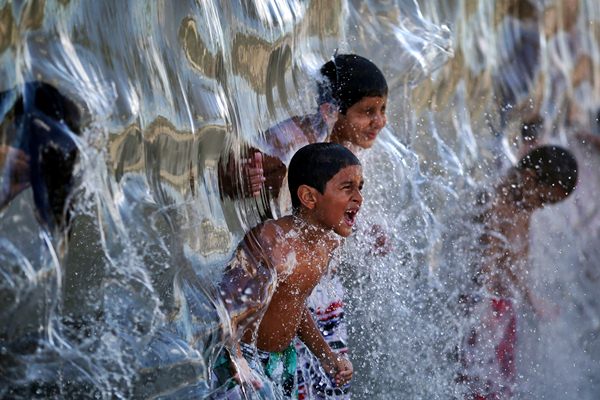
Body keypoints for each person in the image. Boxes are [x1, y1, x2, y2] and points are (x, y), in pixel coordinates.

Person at [218, 53, 387, 399]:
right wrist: (242, 178)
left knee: (327, 388)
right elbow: (238, 168)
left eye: (382, 110)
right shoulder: (300, 137)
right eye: (368, 112)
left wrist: (367, 229)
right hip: (281, 284)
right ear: (331, 111)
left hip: (315, 289)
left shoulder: (351, 151)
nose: (379, 122)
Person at [214, 143, 362, 398]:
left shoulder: (326, 245)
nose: (359, 198)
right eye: (347, 188)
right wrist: (238, 362)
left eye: (360, 188)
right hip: (242, 360)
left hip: (282, 361)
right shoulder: (271, 241)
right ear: (309, 197)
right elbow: (225, 306)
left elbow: (292, 303)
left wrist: (326, 356)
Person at [459, 145, 578, 399]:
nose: (543, 207)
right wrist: (485, 307)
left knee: (501, 383)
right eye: (544, 199)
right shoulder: (497, 201)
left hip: (503, 307)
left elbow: (511, 261)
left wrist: (531, 297)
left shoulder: (522, 202)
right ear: (529, 178)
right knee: (477, 385)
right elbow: (489, 258)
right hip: (485, 306)